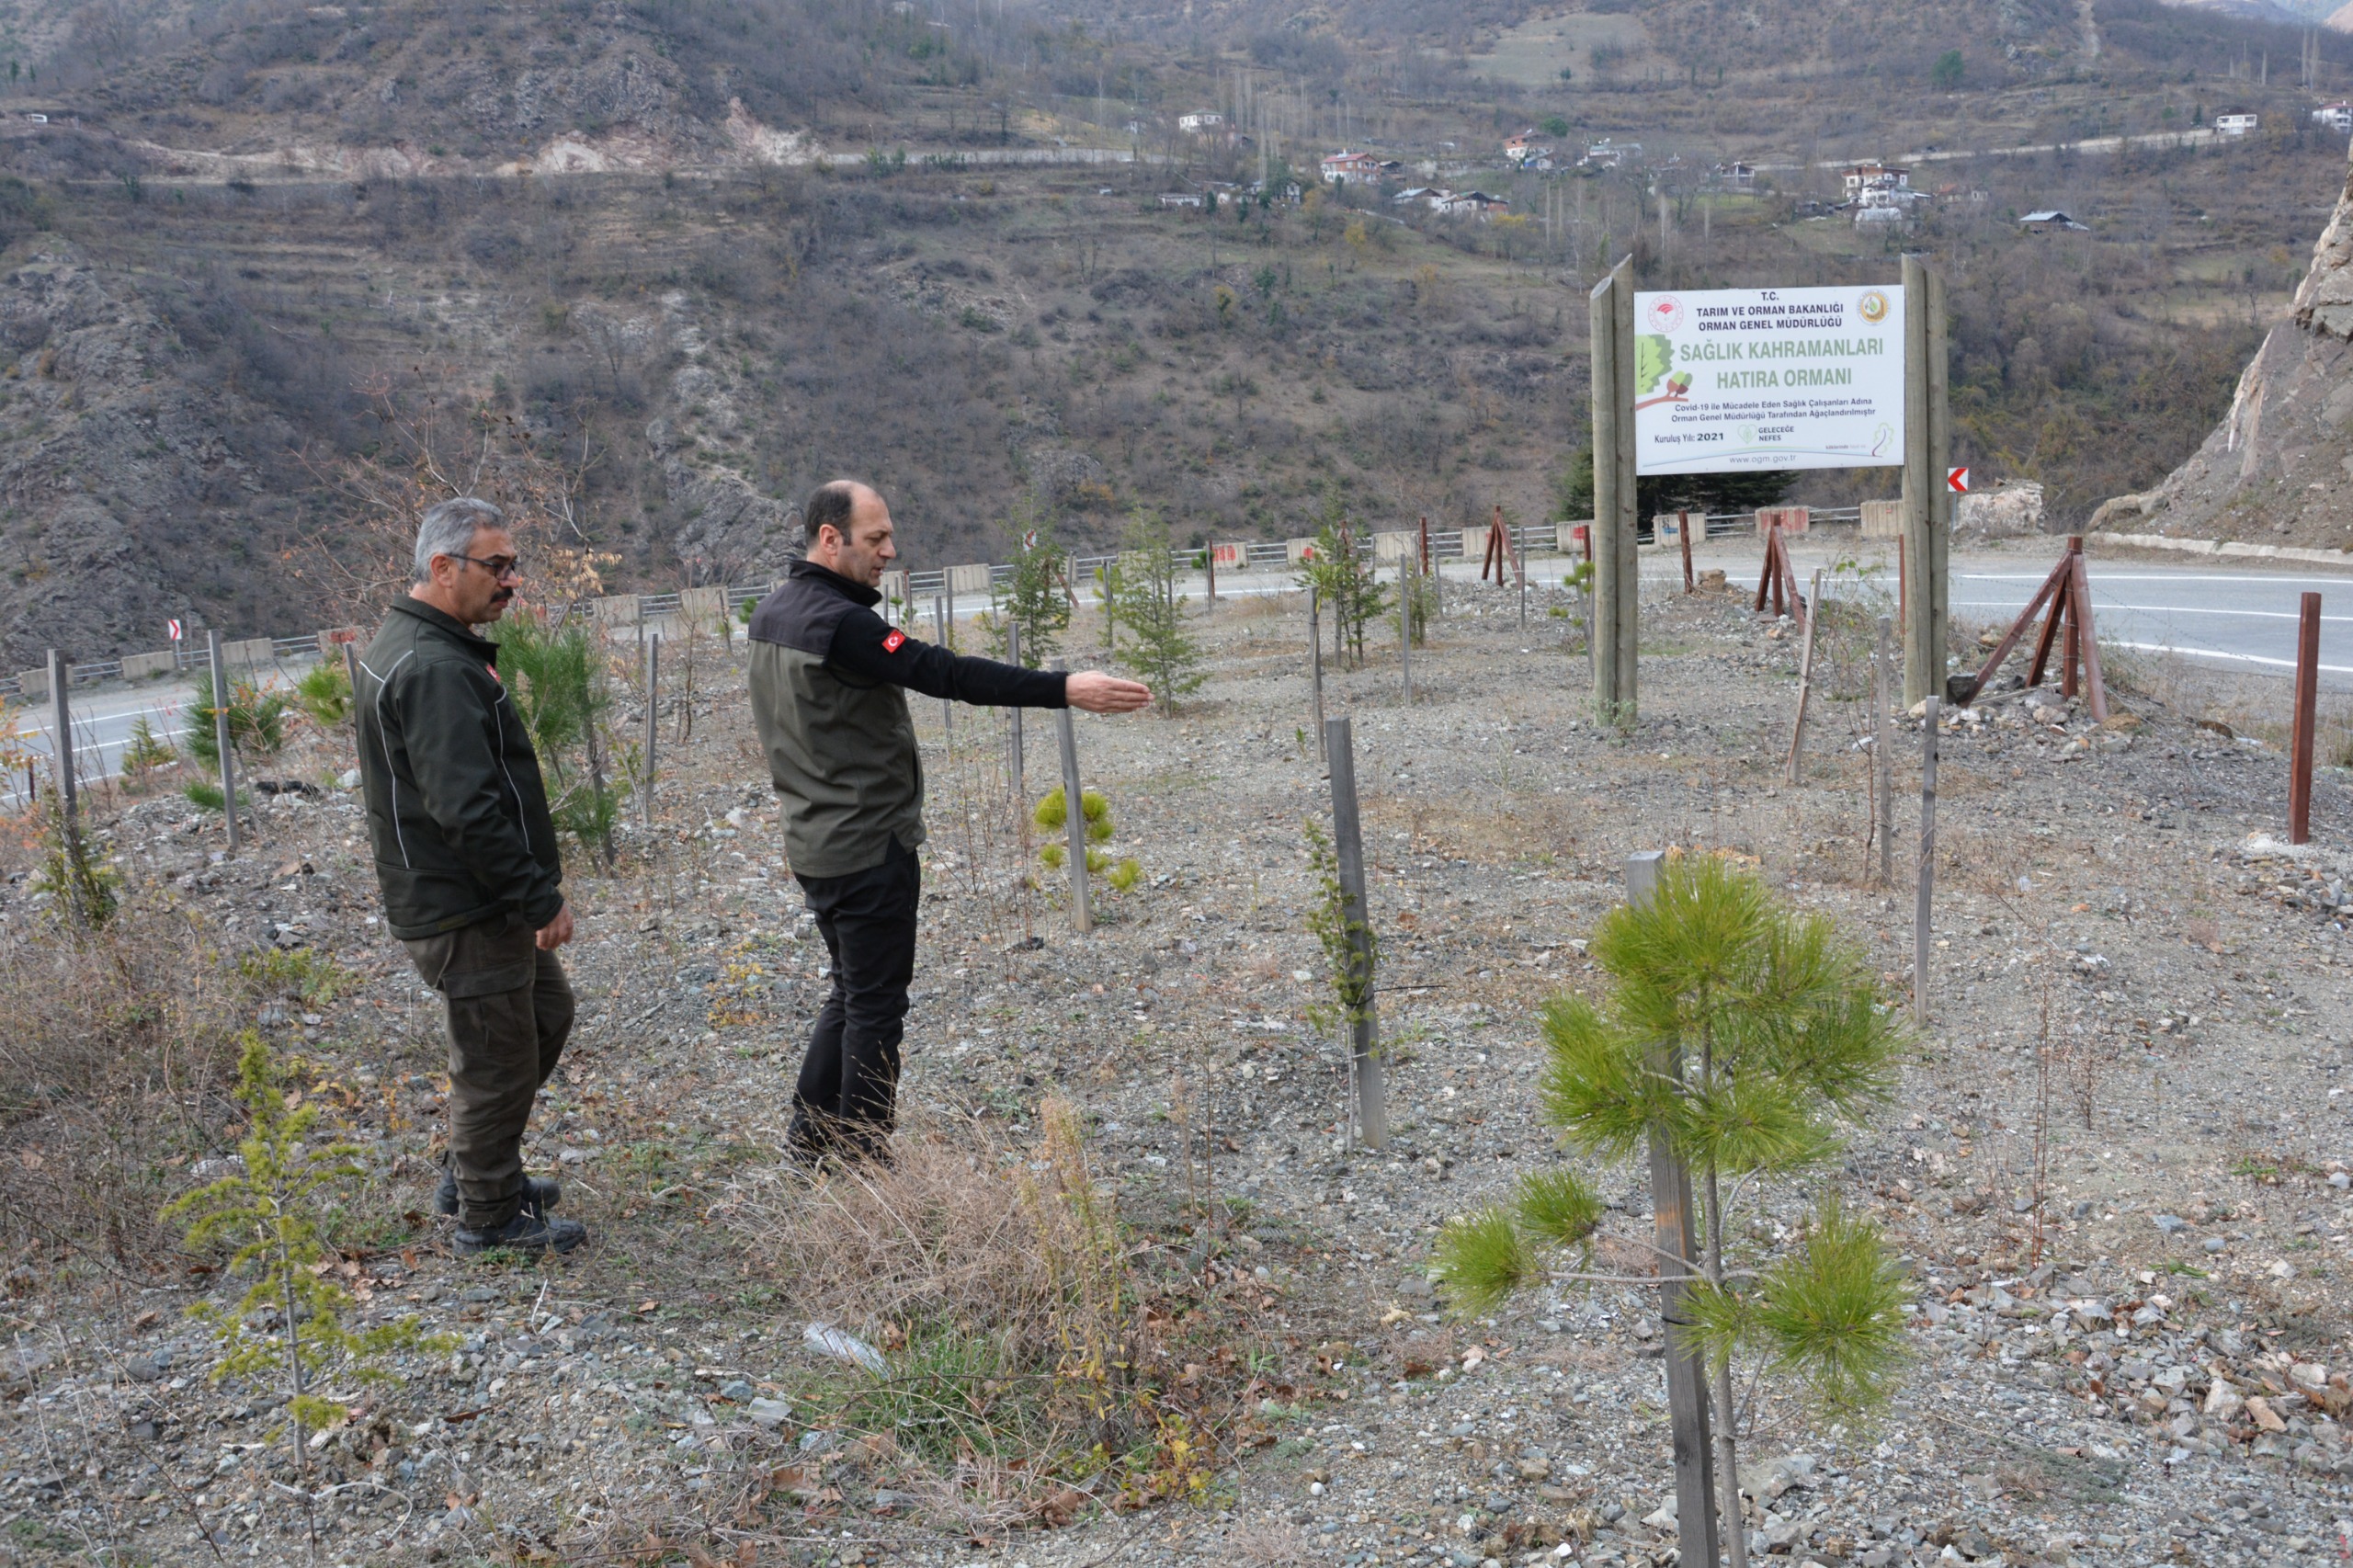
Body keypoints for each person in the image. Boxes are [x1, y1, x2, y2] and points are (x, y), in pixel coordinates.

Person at [748, 480, 1152, 1163]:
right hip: (867, 844)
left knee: (849, 992)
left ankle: (811, 1141)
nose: (890, 551)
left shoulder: (774, 613)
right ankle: (865, 1166)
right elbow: (946, 673)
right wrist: (1064, 687)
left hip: (815, 841)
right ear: (829, 538)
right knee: (875, 1008)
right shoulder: (842, 625)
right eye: (876, 539)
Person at [355, 496, 585, 1256]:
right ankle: (488, 1216)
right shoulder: (432, 666)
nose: (512, 580)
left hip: (469, 898)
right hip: (465, 906)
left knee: (542, 1020)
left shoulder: (425, 645)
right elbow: (468, 810)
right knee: (494, 1062)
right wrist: (537, 897)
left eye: (512, 565)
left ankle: (477, 1167)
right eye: (497, 565)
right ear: (443, 567)